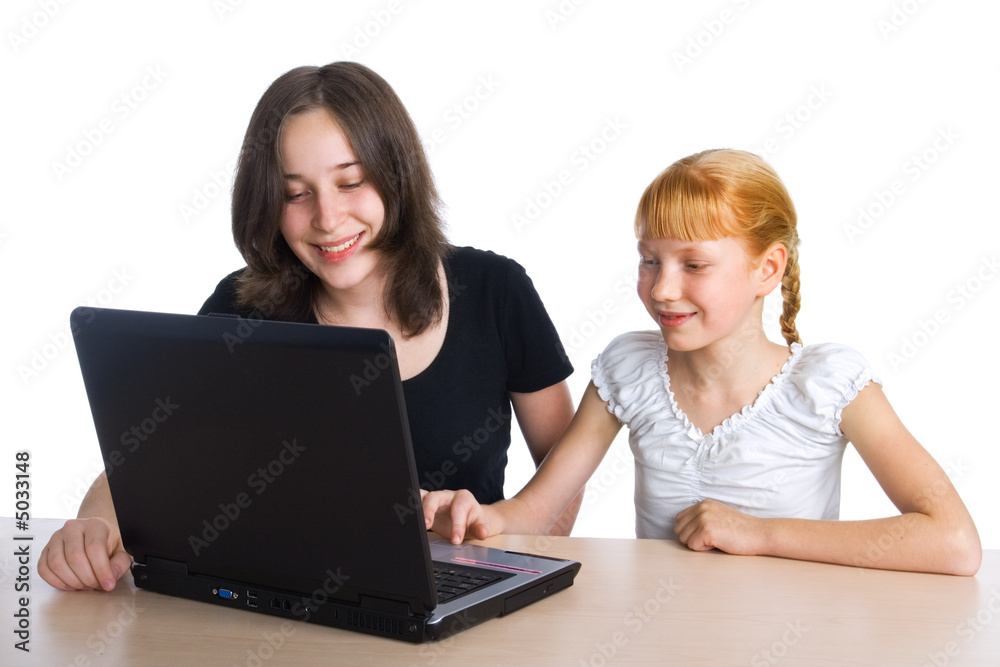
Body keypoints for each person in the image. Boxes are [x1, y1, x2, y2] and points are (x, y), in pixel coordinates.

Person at [39, 62, 579, 592]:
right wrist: (95, 524)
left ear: (398, 178)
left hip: (462, 594)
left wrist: (502, 546)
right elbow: (151, 453)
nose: (327, 218)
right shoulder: (239, 307)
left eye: (351, 182)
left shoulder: (495, 290)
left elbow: (563, 473)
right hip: (290, 602)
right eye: (296, 194)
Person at [422, 148, 982, 576]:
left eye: (694, 264)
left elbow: (953, 542)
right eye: (649, 260)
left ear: (767, 269)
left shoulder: (831, 384)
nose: (663, 288)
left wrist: (761, 534)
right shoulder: (628, 370)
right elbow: (537, 510)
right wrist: (483, 517)